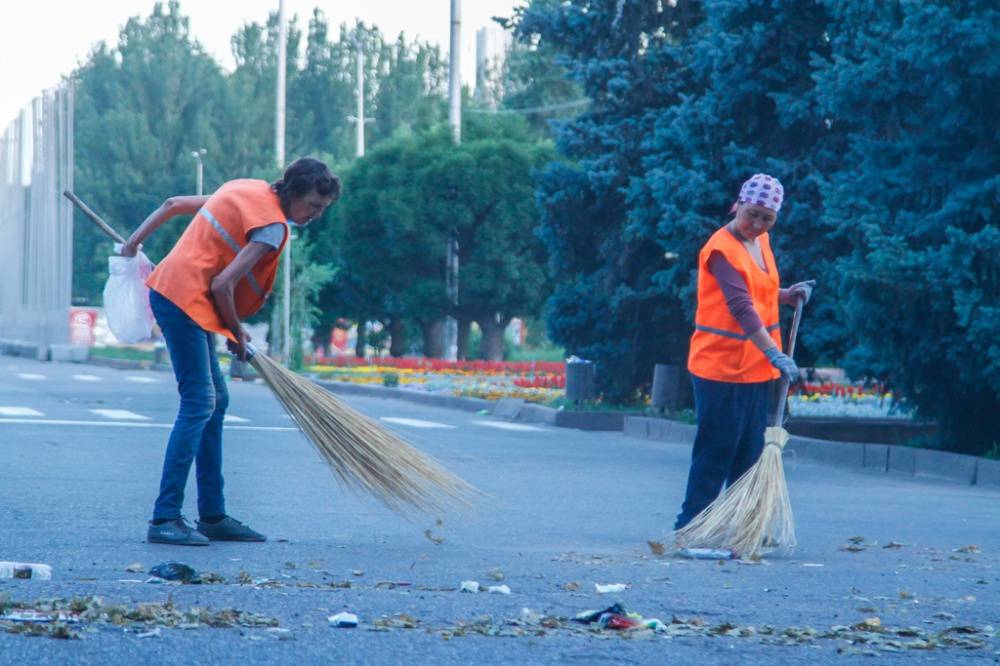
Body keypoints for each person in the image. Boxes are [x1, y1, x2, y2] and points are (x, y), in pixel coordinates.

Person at [120, 157, 341, 546]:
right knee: (199, 402)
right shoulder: (272, 227)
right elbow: (223, 284)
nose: (315, 215)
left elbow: (173, 204)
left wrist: (132, 242)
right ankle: (165, 518)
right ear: (293, 193)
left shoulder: (245, 188)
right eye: (312, 205)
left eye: (322, 209)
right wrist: (237, 331)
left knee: (216, 401)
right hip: (183, 300)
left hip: (180, 295)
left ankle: (213, 515)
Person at [675, 173, 813, 532]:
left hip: (754, 368)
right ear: (738, 204)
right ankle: (691, 527)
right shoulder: (722, 249)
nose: (758, 224)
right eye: (752, 214)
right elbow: (740, 306)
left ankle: (739, 527)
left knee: (749, 453)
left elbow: (756, 289)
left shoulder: (761, 241)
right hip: (720, 367)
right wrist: (775, 353)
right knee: (717, 450)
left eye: (768, 218)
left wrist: (785, 295)